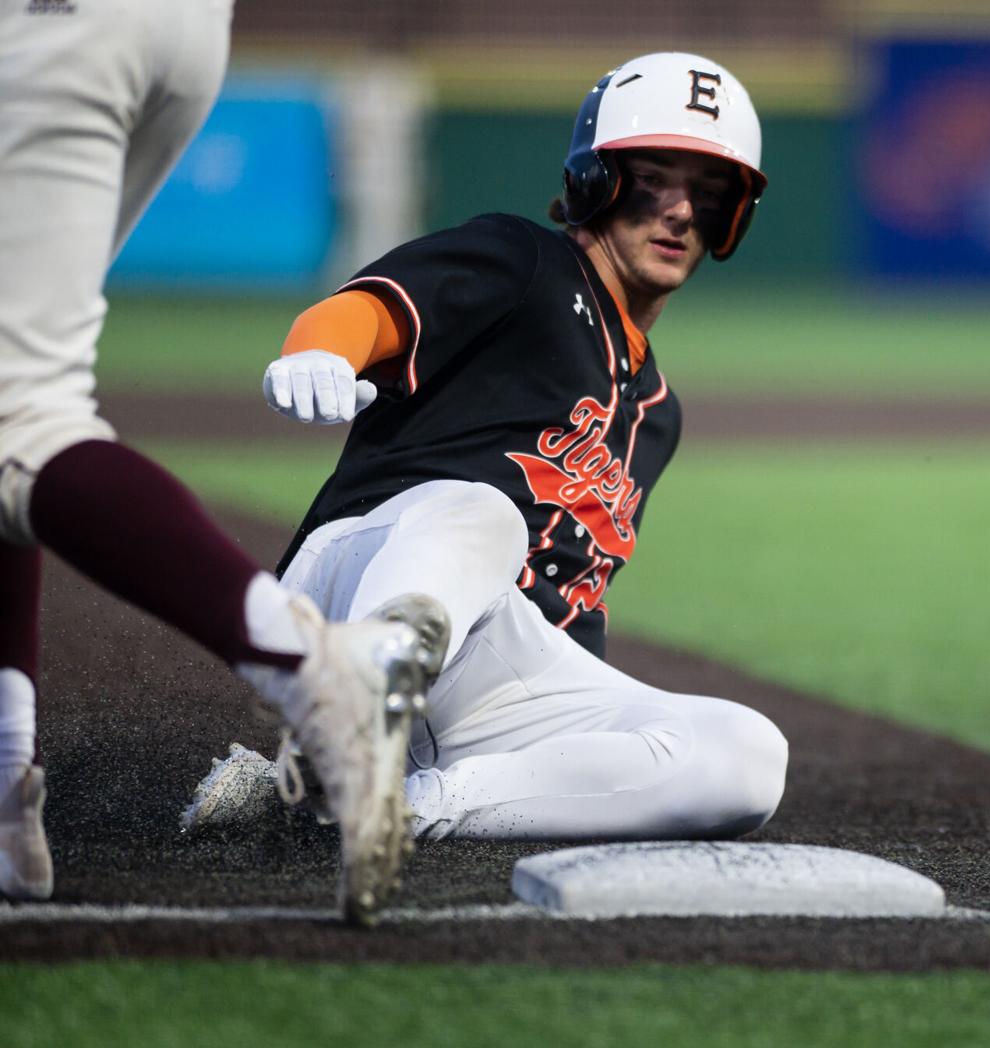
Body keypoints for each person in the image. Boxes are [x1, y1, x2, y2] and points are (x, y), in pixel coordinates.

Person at [185, 51, 789, 845]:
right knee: (484, 513)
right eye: (653, 179)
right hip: (366, 570)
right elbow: (370, 310)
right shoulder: (526, 262)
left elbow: (573, 601)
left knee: (748, 755)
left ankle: (388, 806)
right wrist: (320, 351)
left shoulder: (658, 414)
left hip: (495, 664)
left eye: (708, 195)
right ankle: (347, 728)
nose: (679, 212)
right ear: (597, 179)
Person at [0, 0, 441, 926]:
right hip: (179, 25)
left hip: (52, 21)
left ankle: (313, 667)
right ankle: (7, 782)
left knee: (21, 413)